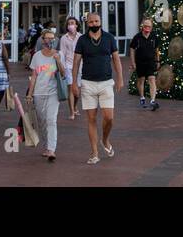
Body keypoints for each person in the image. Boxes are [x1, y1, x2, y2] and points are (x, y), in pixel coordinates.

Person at [71, 11, 122, 165]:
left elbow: (116, 59)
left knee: (109, 117)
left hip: (106, 82)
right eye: (91, 22)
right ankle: (94, 152)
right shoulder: (82, 40)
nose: (94, 24)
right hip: (88, 83)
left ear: (101, 21)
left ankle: (105, 140)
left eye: (96, 21)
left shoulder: (109, 38)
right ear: (87, 23)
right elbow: (76, 62)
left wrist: (119, 78)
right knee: (91, 119)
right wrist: (74, 82)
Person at [25, 27, 67, 162]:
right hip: (38, 93)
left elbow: (63, 73)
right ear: (42, 40)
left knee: (51, 120)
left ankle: (51, 149)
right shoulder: (37, 56)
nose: (50, 40)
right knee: (42, 121)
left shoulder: (59, 54)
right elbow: (34, 76)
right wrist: (29, 94)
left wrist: (58, 60)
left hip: (53, 93)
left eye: (52, 38)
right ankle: (46, 145)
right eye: (47, 38)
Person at [128, 18, 160, 110]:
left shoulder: (154, 37)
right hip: (140, 62)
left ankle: (152, 101)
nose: (147, 28)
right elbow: (132, 49)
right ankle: (142, 98)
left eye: (149, 26)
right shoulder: (137, 37)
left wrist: (158, 61)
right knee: (141, 80)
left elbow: (157, 50)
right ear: (142, 26)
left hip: (151, 62)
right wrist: (133, 62)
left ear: (151, 27)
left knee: (152, 79)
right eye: (145, 26)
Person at [58, 15, 81, 120]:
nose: (71, 25)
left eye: (73, 23)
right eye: (69, 23)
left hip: (80, 66)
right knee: (71, 88)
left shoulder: (81, 37)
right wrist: (62, 67)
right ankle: (72, 111)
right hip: (68, 66)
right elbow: (62, 53)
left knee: (77, 92)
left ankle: (75, 105)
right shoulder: (64, 38)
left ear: (76, 25)